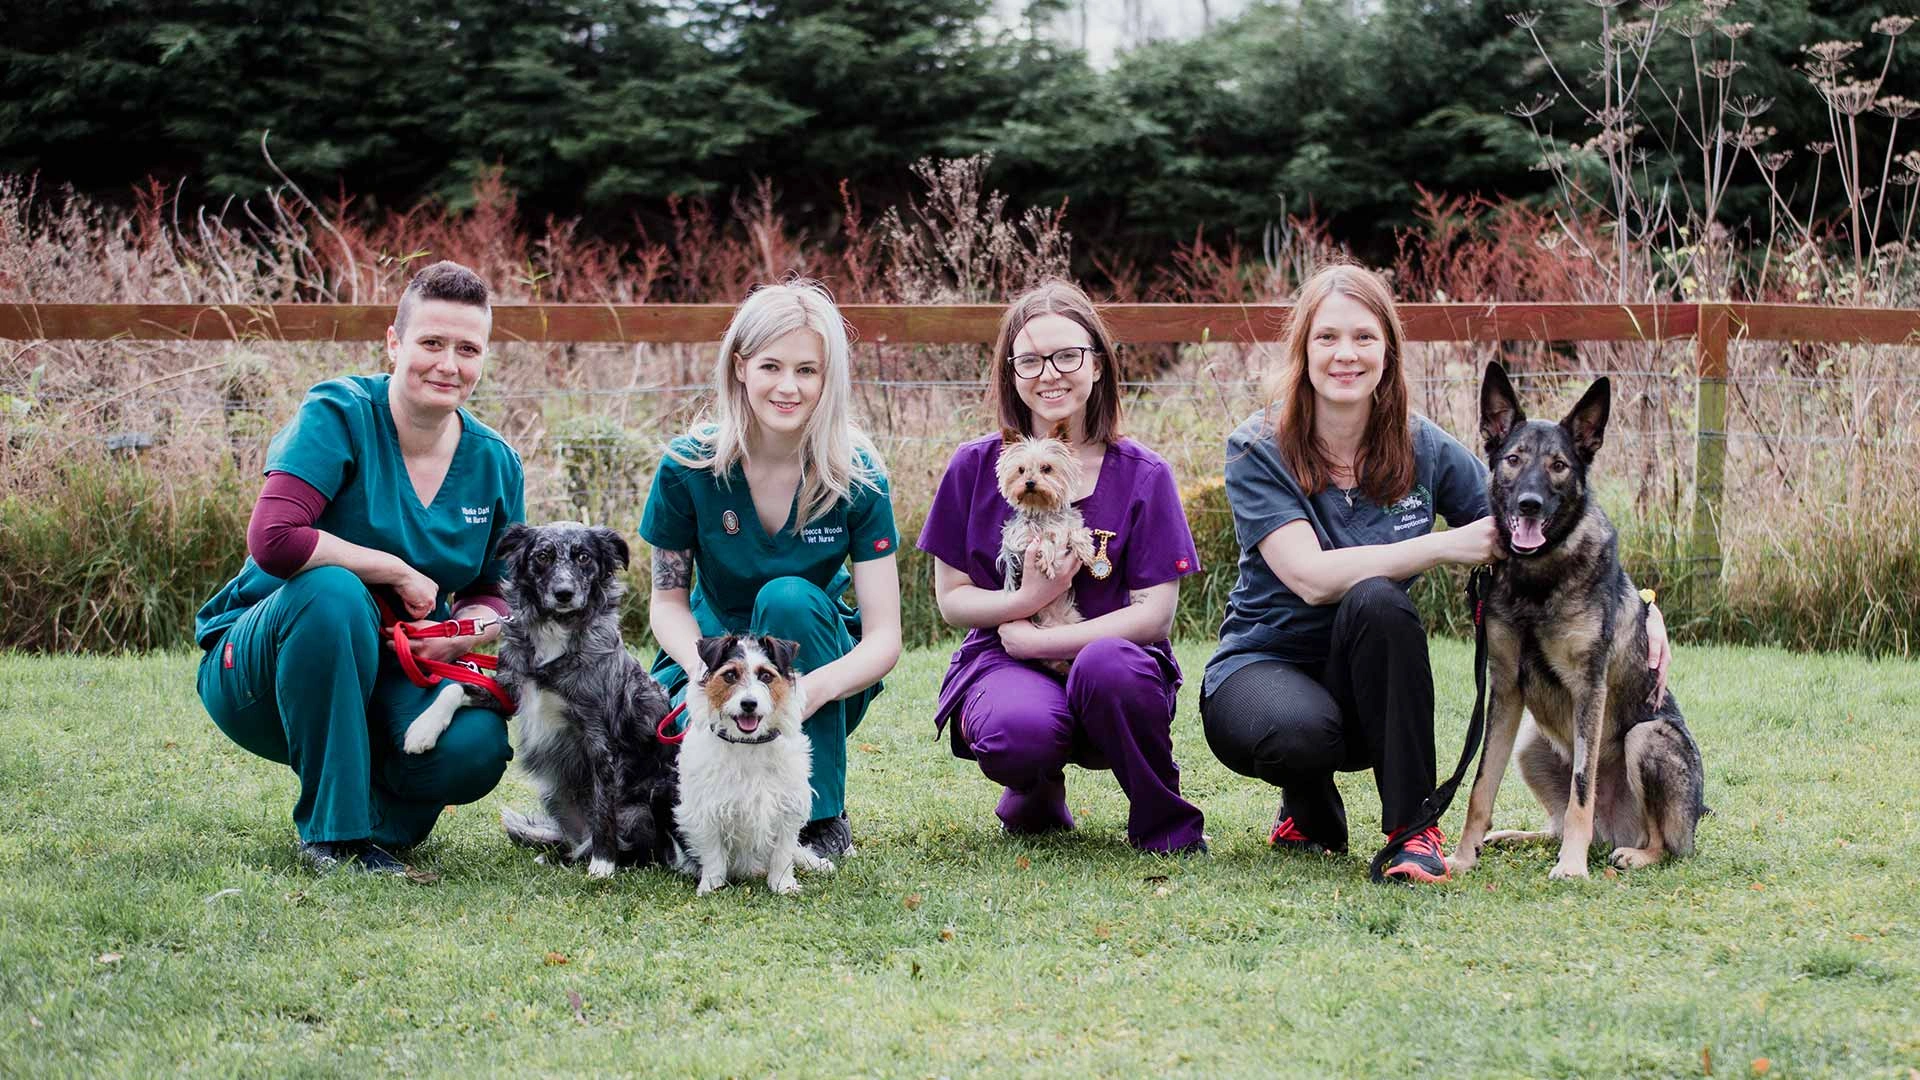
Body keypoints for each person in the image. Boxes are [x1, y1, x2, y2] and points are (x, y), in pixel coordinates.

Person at [1198, 262, 1669, 884]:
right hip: (1264, 663)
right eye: (1328, 338)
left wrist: (1639, 604)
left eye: (1365, 338)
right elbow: (1310, 576)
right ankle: (1308, 805)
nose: (1347, 354)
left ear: (1389, 352)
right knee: (1303, 721)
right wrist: (1443, 547)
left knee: (1379, 604)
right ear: (1303, 348)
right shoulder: (1258, 446)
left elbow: (1537, 514)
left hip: (1368, 678)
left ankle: (1412, 832)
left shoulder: (1419, 444)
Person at [195, 261, 524, 874]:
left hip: (396, 667)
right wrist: (393, 569)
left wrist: (469, 625)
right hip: (263, 664)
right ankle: (334, 836)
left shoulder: (495, 461)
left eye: (467, 349)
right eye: (431, 343)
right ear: (394, 343)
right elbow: (275, 539)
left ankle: (380, 823)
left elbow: (493, 585)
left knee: (474, 749)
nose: (448, 364)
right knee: (332, 591)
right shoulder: (338, 412)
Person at [917, 279, 1207, 854]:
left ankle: (1163, 820)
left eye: (1067, 355)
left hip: (1116, 667)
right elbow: (952, 600)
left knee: (1108, 666)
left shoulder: (1145, 475)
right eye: (1029, 359)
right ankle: (1036, 789)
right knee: (1018, 730)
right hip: (1008, 659)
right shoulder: (974, 466)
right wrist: (1024, 614)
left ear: (1097, 365)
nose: (1049, 373)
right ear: (1010, 372)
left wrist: (1059, 638)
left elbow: (1155, 617)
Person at [640, 280, 901, 860]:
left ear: (829, 378)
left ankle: (819, 815)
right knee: (646, 753)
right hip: (709, 659)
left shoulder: (858, 477)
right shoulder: (688, 466)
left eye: (807, 370)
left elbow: (885, 636)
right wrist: (704, 673)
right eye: (771, 366)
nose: (788, 386)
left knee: (788, 598)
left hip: (815, 660)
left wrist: (808, 690)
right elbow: (667, 603)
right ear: (740, 367)